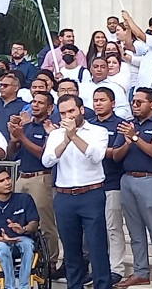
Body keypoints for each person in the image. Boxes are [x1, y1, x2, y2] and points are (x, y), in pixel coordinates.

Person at [41, 94, 111, 289]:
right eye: (63, 113)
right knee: (71, 250)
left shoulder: (98, 131)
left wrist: (75, 136)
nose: (67, 116)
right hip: (64, 196)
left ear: (81, 110)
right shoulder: (56, 134)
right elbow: (47, 161)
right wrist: (65, 140)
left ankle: (102, 285)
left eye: (71, 111)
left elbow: (96, 156)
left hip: (91, 194)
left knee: (97, 247)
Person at [112, 88, 152, 288]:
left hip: (151, 179)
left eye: (140, 102)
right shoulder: (129, 124)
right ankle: (141, 271)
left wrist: (136, 138)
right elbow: (116, 156)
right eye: (133, 102)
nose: (134, 105)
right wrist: (128, 143)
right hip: (127, 179)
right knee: (134, 230)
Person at [7, 92, 62, 276]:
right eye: (34, 102)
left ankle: (51, 261)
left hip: (41, 177)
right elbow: (11, 153)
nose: (35, 105)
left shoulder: (51, 129)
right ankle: (21, 258)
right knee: (18, 219)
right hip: (22, 176)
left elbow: (43, 155)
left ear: (50, 108)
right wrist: (14, 138)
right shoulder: (26, 126)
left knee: (44, 221)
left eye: (40, 103)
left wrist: (21, 137)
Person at [88, 87, 126, 285]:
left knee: (113, 227)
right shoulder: (88, 125)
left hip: (112, 181)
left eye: (102, 100)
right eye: (95, 100)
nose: (98, 103)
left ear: (112, 103)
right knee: (95, 229)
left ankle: (116, 268)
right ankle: (98, 267)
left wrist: (96, 151)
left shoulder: (120, 124)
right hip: (92, 184)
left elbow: (117, 152)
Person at [0, 167, 39, 289]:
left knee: (27, 245)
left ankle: (24, 286)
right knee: (3, 248)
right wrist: (3, 240)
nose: (7, 183)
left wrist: (23, 229)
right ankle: (9, 286)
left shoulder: (24, 199)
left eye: (8, 178)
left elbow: (34, 223)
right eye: (1, 181)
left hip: (22, 237)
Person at [0, 73, 28, 141]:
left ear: (16, 88)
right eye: (0, 85)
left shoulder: (24, 106)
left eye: (5, 85)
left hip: (12, 145)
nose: (2, 88)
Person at [115, 23, 140, 89]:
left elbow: (144, 61)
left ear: (126, 31)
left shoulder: (137, 44)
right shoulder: (116, 45)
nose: (116, 33)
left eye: (118, 30)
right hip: (120, 81)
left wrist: (129, 58)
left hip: (134, 81)